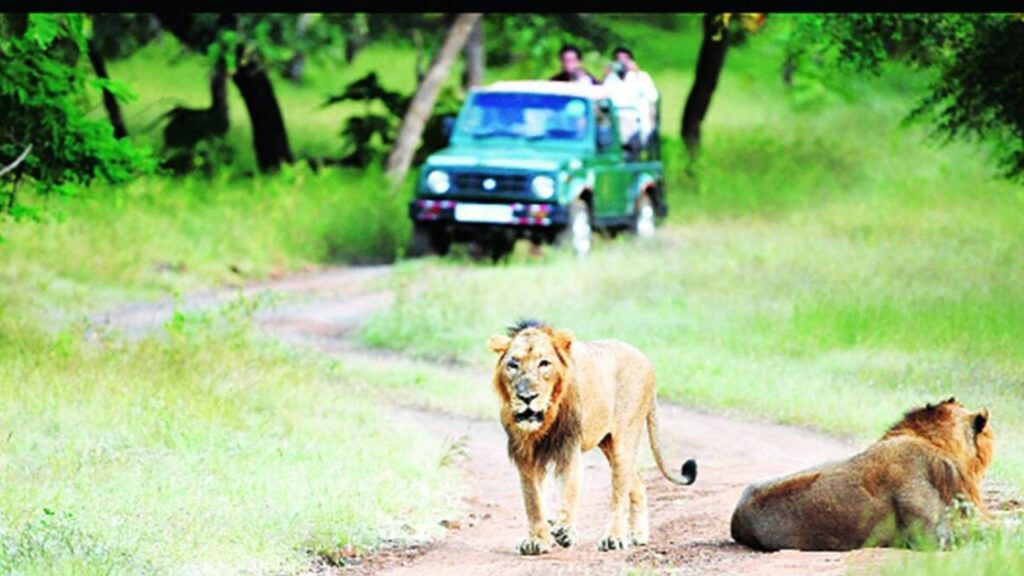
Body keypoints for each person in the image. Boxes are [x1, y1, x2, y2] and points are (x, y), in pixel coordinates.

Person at [601, 46, 659, 152]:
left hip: (635, 121)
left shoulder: (641, 77)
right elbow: (602, 100)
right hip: (615, 120)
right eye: (618, 60)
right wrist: (604, 76)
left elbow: (653, 96)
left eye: (625, 60)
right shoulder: (611, 79)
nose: (622, 63)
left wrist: (637, 73)